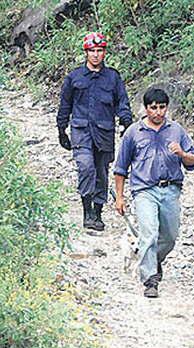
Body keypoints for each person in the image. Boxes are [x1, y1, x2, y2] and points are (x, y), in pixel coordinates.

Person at [113, 88, 194, 298]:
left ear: (166, 108)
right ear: (146, 108)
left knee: (169, 237)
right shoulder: (134, 132)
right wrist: (120, 196)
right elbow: (121, 167)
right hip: (144, 190)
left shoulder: (176, 130)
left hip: (170, 189)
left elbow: (193, 161)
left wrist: (182, 153)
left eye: (162, 108)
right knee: (149, 234)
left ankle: (153, 260)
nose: (158, 112)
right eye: (153, 108)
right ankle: (150, 279)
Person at [56, 32, 133, 231]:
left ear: (105, 52)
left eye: (100, 51)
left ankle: (97, 213)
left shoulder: (113, 77)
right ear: (86, 53)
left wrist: (126, 122)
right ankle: (86, 212)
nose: (96, 55)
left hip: (105, 132)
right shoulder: (74, 77)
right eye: (92, 51)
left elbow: (122, 102)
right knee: (86, 167)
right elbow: (65, 104)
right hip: (81, 130)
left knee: (101, 172)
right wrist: (61, 129)